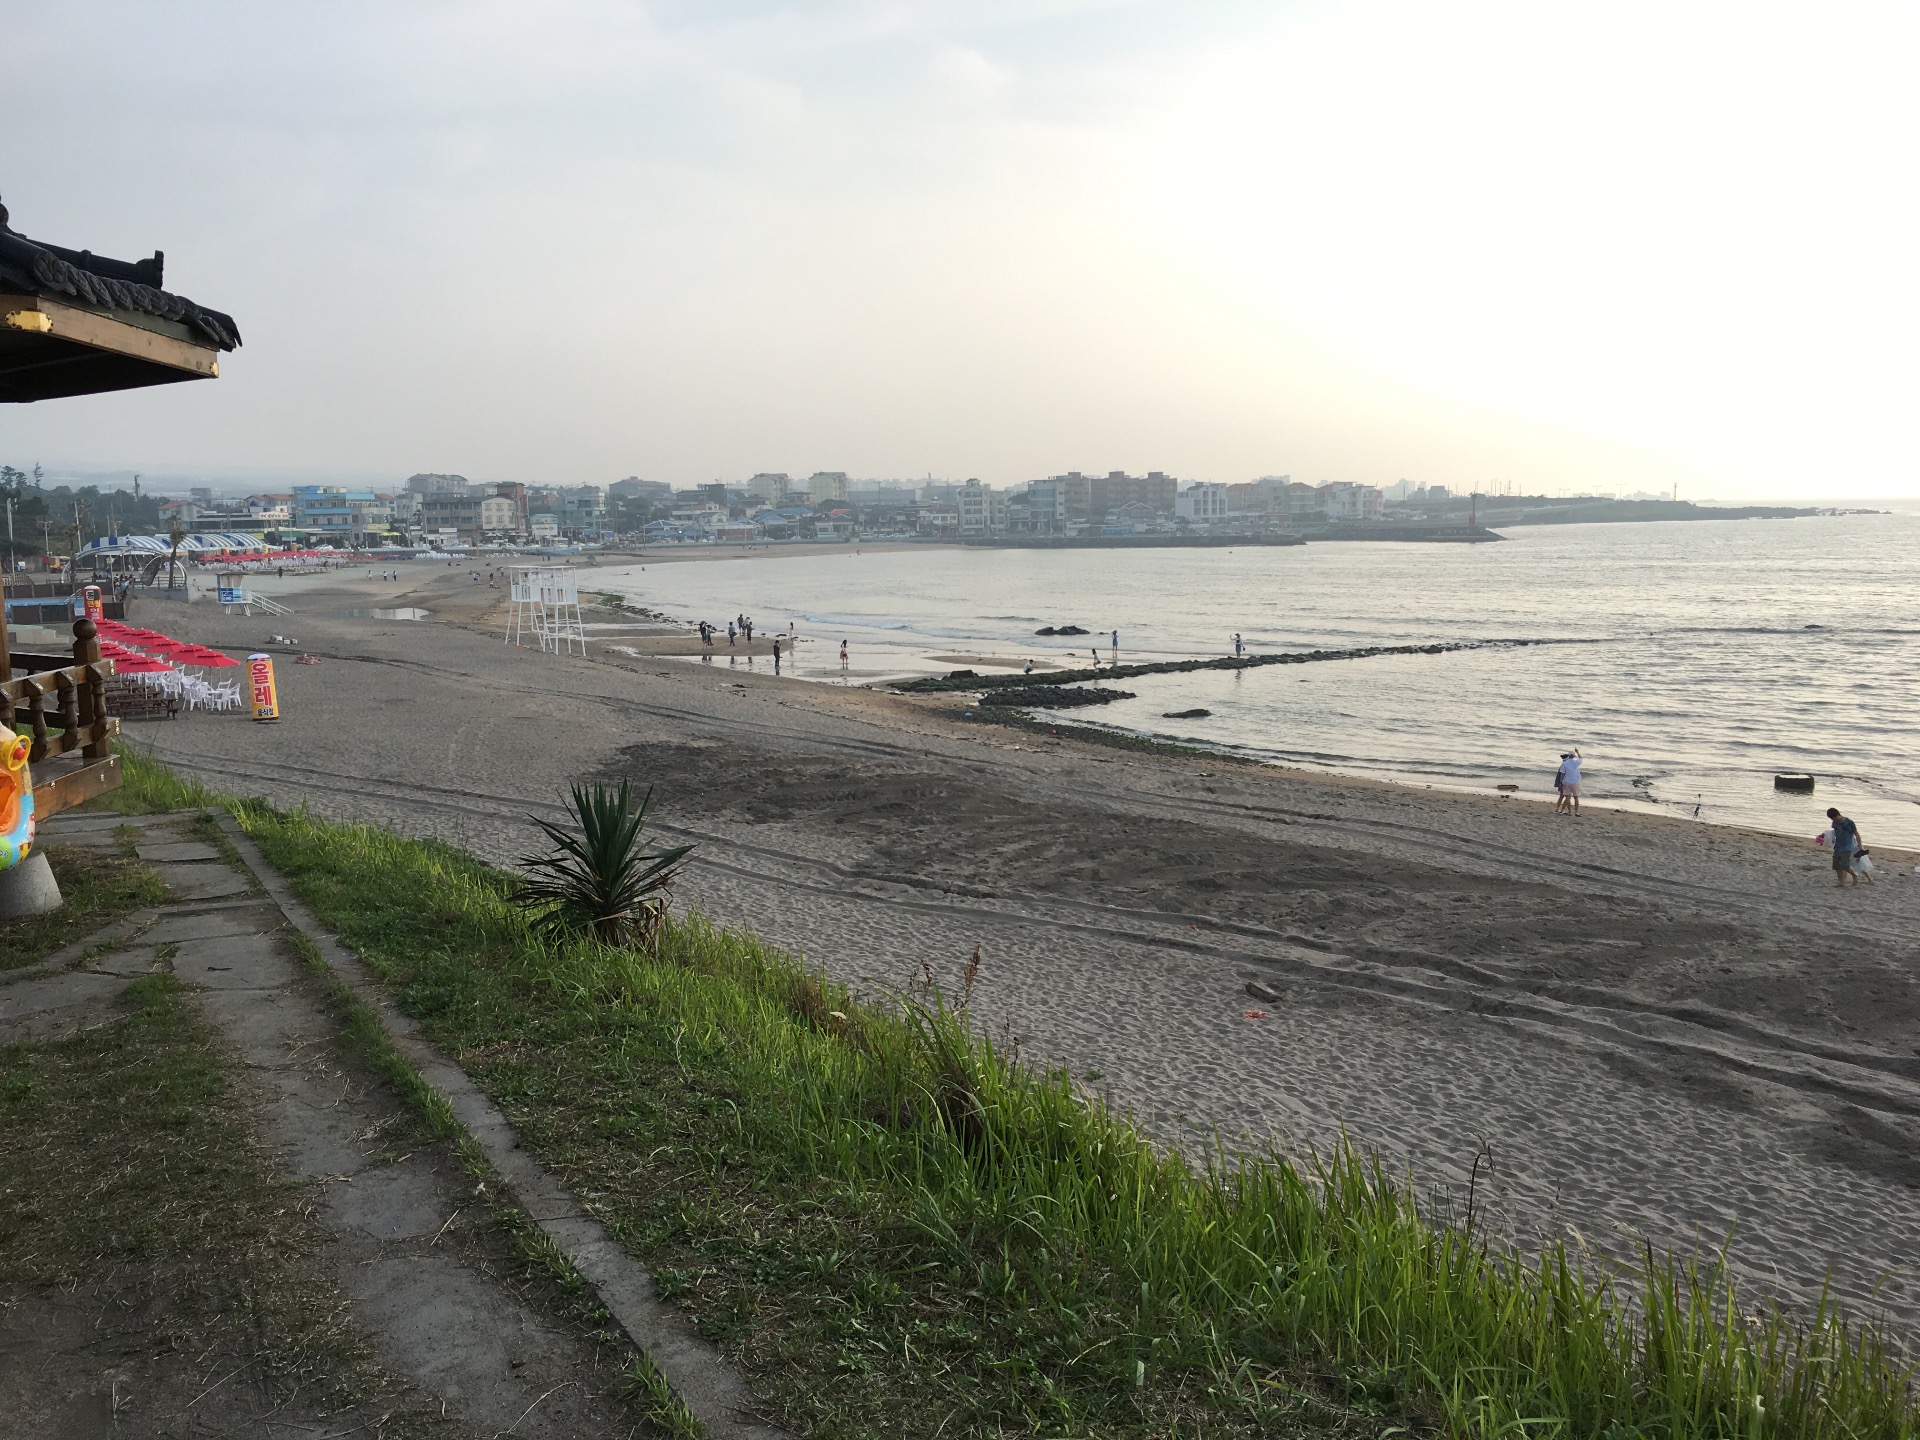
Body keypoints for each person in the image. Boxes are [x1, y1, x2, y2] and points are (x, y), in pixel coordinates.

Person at [1827, 807, 1862, 887]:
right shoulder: (1834, 822)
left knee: (1845, 865)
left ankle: (1854, 875)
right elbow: (1834, 832)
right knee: (1837, 866)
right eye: (1831, 819)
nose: (1833, 820)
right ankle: (1841, 882)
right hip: (1837, 846)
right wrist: (1825, 836)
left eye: (1833, 818)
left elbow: (1856, 834)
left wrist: (1860, 846)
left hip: (1846, 846)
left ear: (1837, 815)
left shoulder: (1849, 823)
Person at [1557, 749, 1583, 816]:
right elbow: (1580, 758)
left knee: (1568, 798)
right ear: (1574, 756)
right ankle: (1576, 812)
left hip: (1566, 782)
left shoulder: (1565, 763)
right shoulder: (1576, 762)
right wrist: (1577, 752)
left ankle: (1569, 812)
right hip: (1575, 782)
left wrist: (1561, 781)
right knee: (1576, 797)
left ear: (1568, 755)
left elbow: (1562, 773)